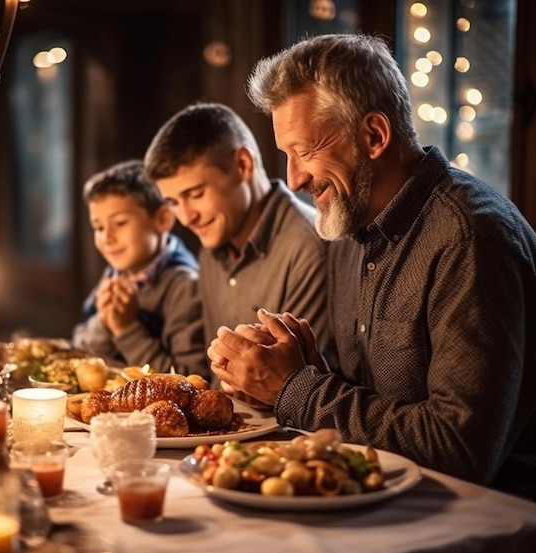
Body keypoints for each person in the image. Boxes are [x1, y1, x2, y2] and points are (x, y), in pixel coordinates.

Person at [207, 34, 536, 500]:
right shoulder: (349, 224)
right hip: (391, 503)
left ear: (375, 136)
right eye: (286, 155)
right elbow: (377, 402)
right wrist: (300, 374)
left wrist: (299, 389)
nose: (294, 178)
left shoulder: (471, 238)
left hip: (490, 526)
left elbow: (460, 449)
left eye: (304, 152)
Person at [143, 102, 330, 390]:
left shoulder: (311, 246)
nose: (186, 217)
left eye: (195, 194)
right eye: (173, 202)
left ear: (243, 165)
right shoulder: (212, 244)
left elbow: (298, 390)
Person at [72, 159, 208, 378]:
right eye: (98, 227)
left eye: (120, 223)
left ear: (163, 219)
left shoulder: (184, 287)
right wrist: (105, 323)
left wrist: (127, 330)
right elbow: (80, 349)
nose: (107, 237)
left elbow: (187, 378)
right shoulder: (117, 273)